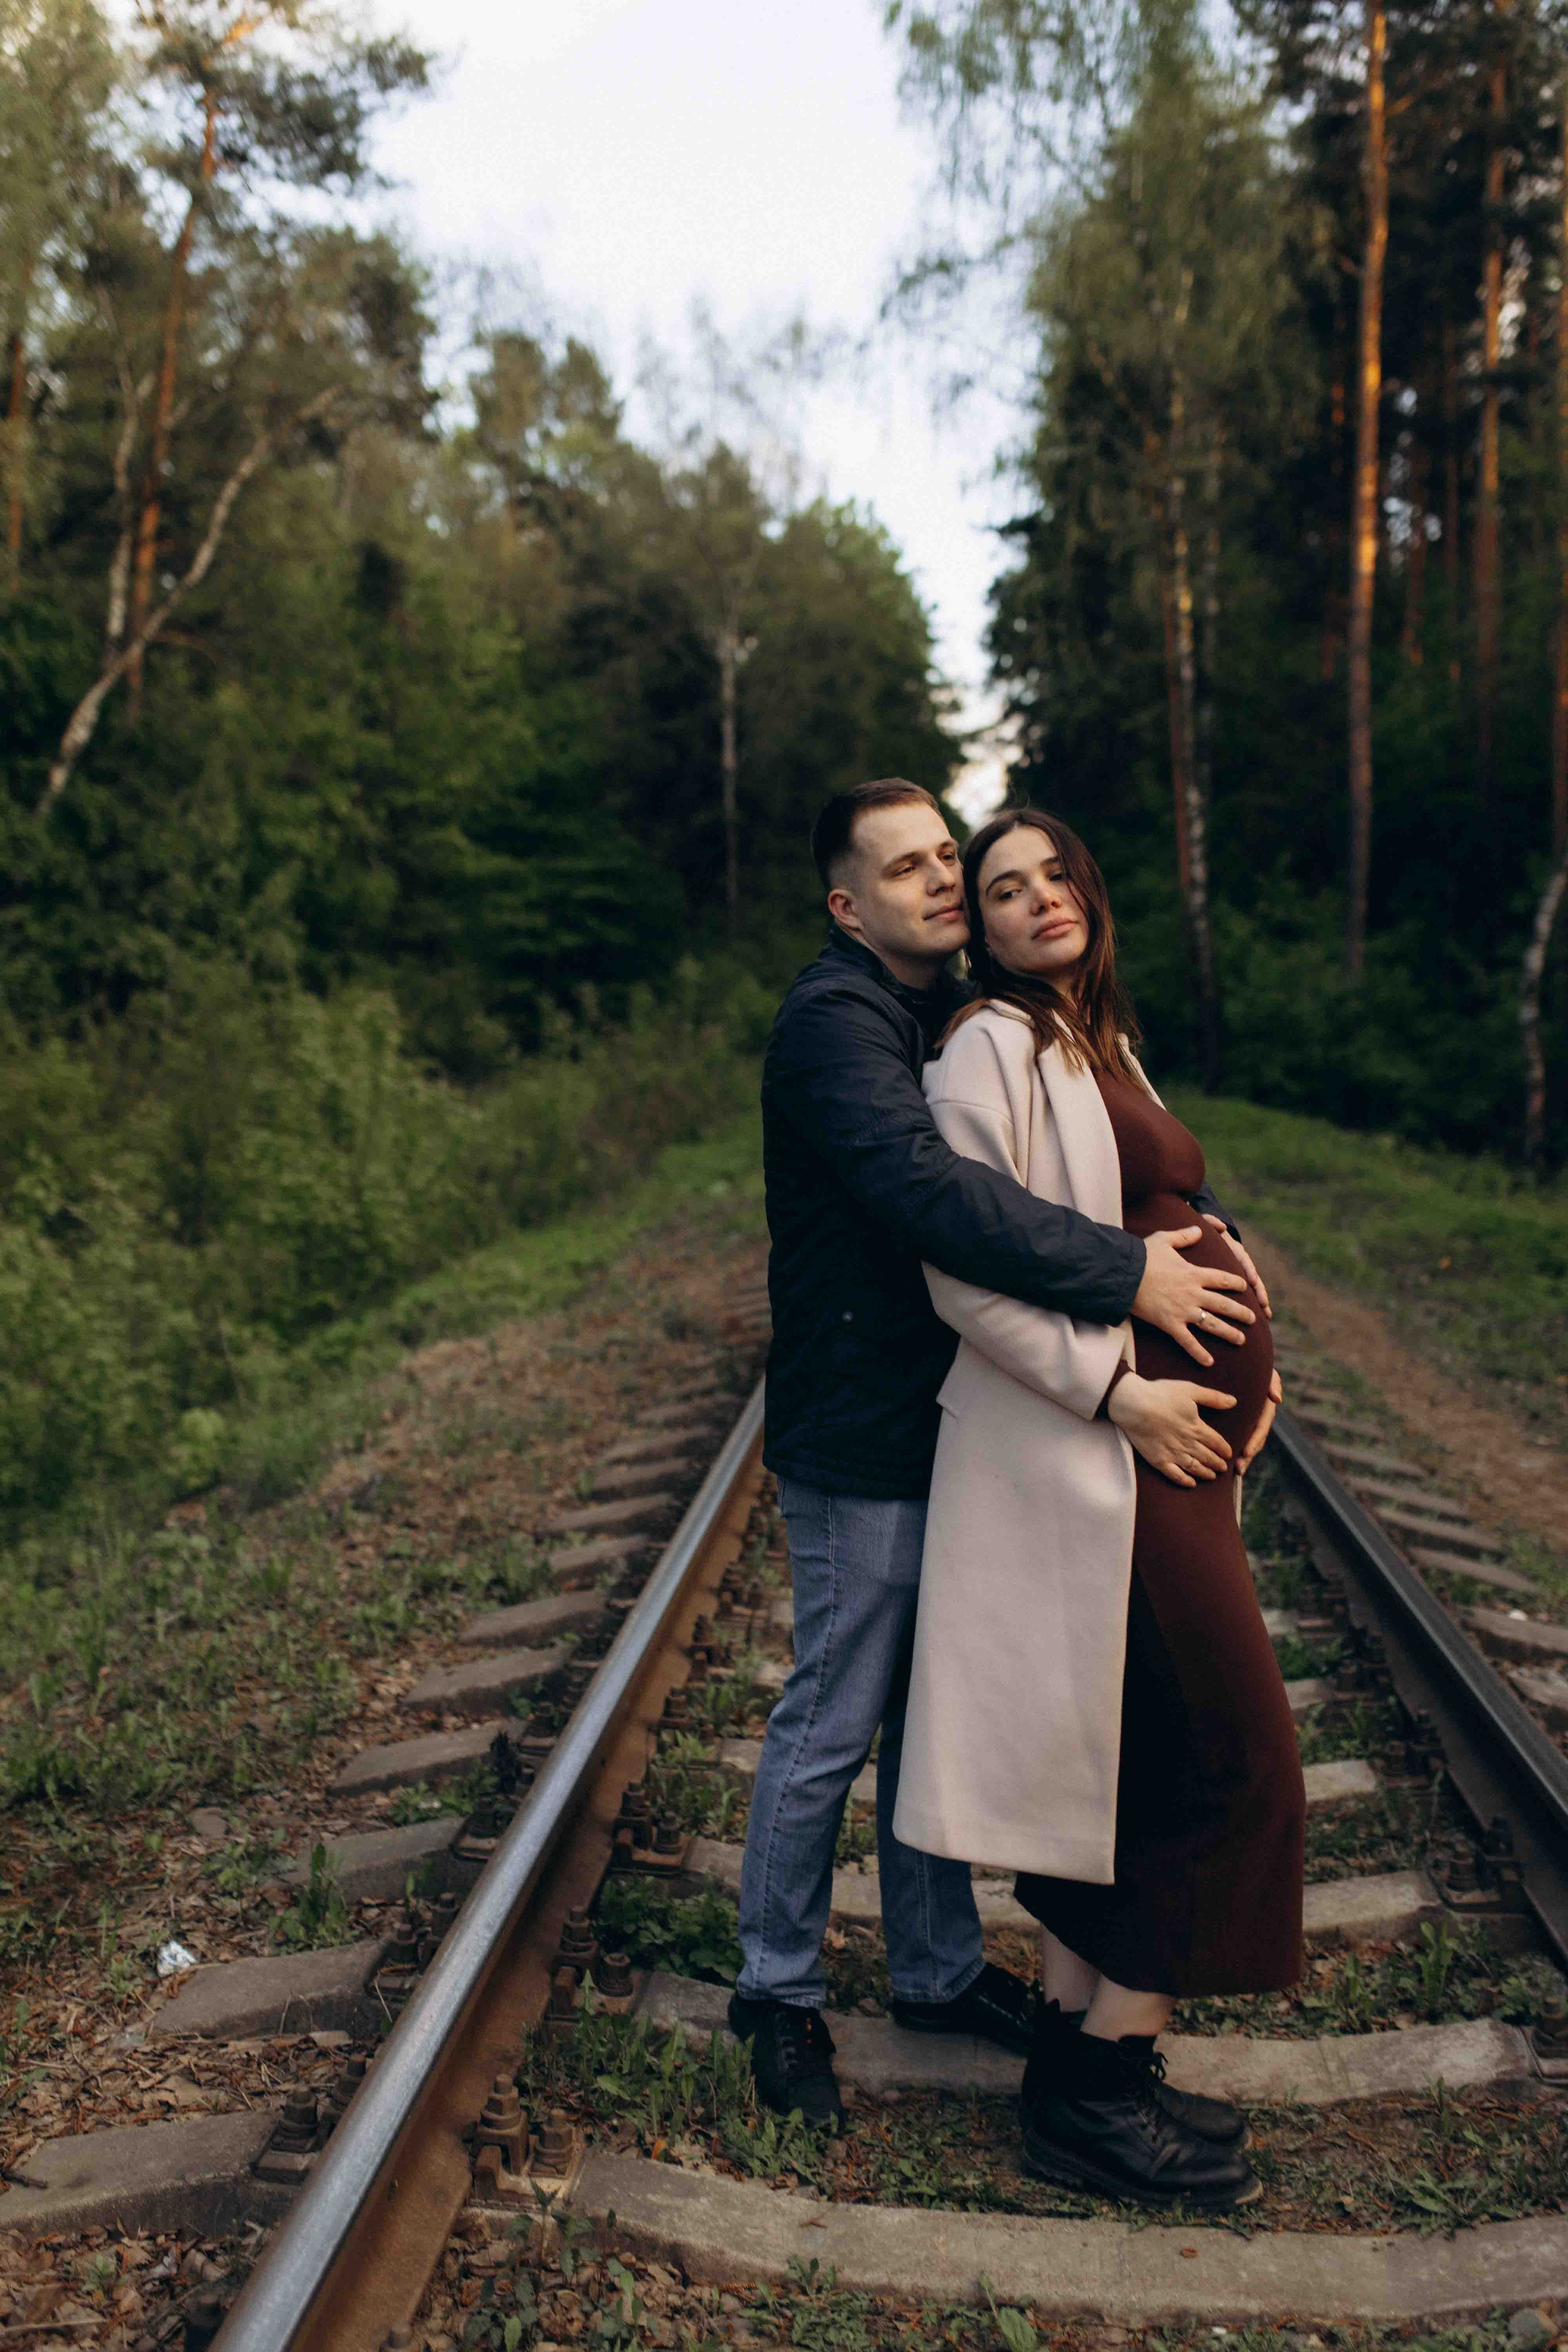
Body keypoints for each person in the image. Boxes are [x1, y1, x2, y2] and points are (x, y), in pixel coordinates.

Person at [729, 777, 1280, 2128]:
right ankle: (776, 1990)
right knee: (838, 1711)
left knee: (934, 1708)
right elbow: (930, 1198)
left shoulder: (942, 1011)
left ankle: (931, 1968)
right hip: (863, 1427)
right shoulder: (835, 1025)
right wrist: (1124, 1280)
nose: (934, 880)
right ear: (845, 905)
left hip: (952, 1422)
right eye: (908, 869)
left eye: (941, 858)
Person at [894, 805, 1305, 2212]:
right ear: (979, 931)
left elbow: (1159, 1213)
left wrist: (1239, 1328)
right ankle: (1101, 2093)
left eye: (1052, 872)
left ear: (1088, 888)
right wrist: (1112, 1393)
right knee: (1234, 1758)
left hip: (1164, 1456)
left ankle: (1076, 2066)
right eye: (999, 891)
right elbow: (957, 1265)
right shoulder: (988, 1046)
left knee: (1132, 1760)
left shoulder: (1090, 1034)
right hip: (1099, 1458)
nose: (1033, 900)